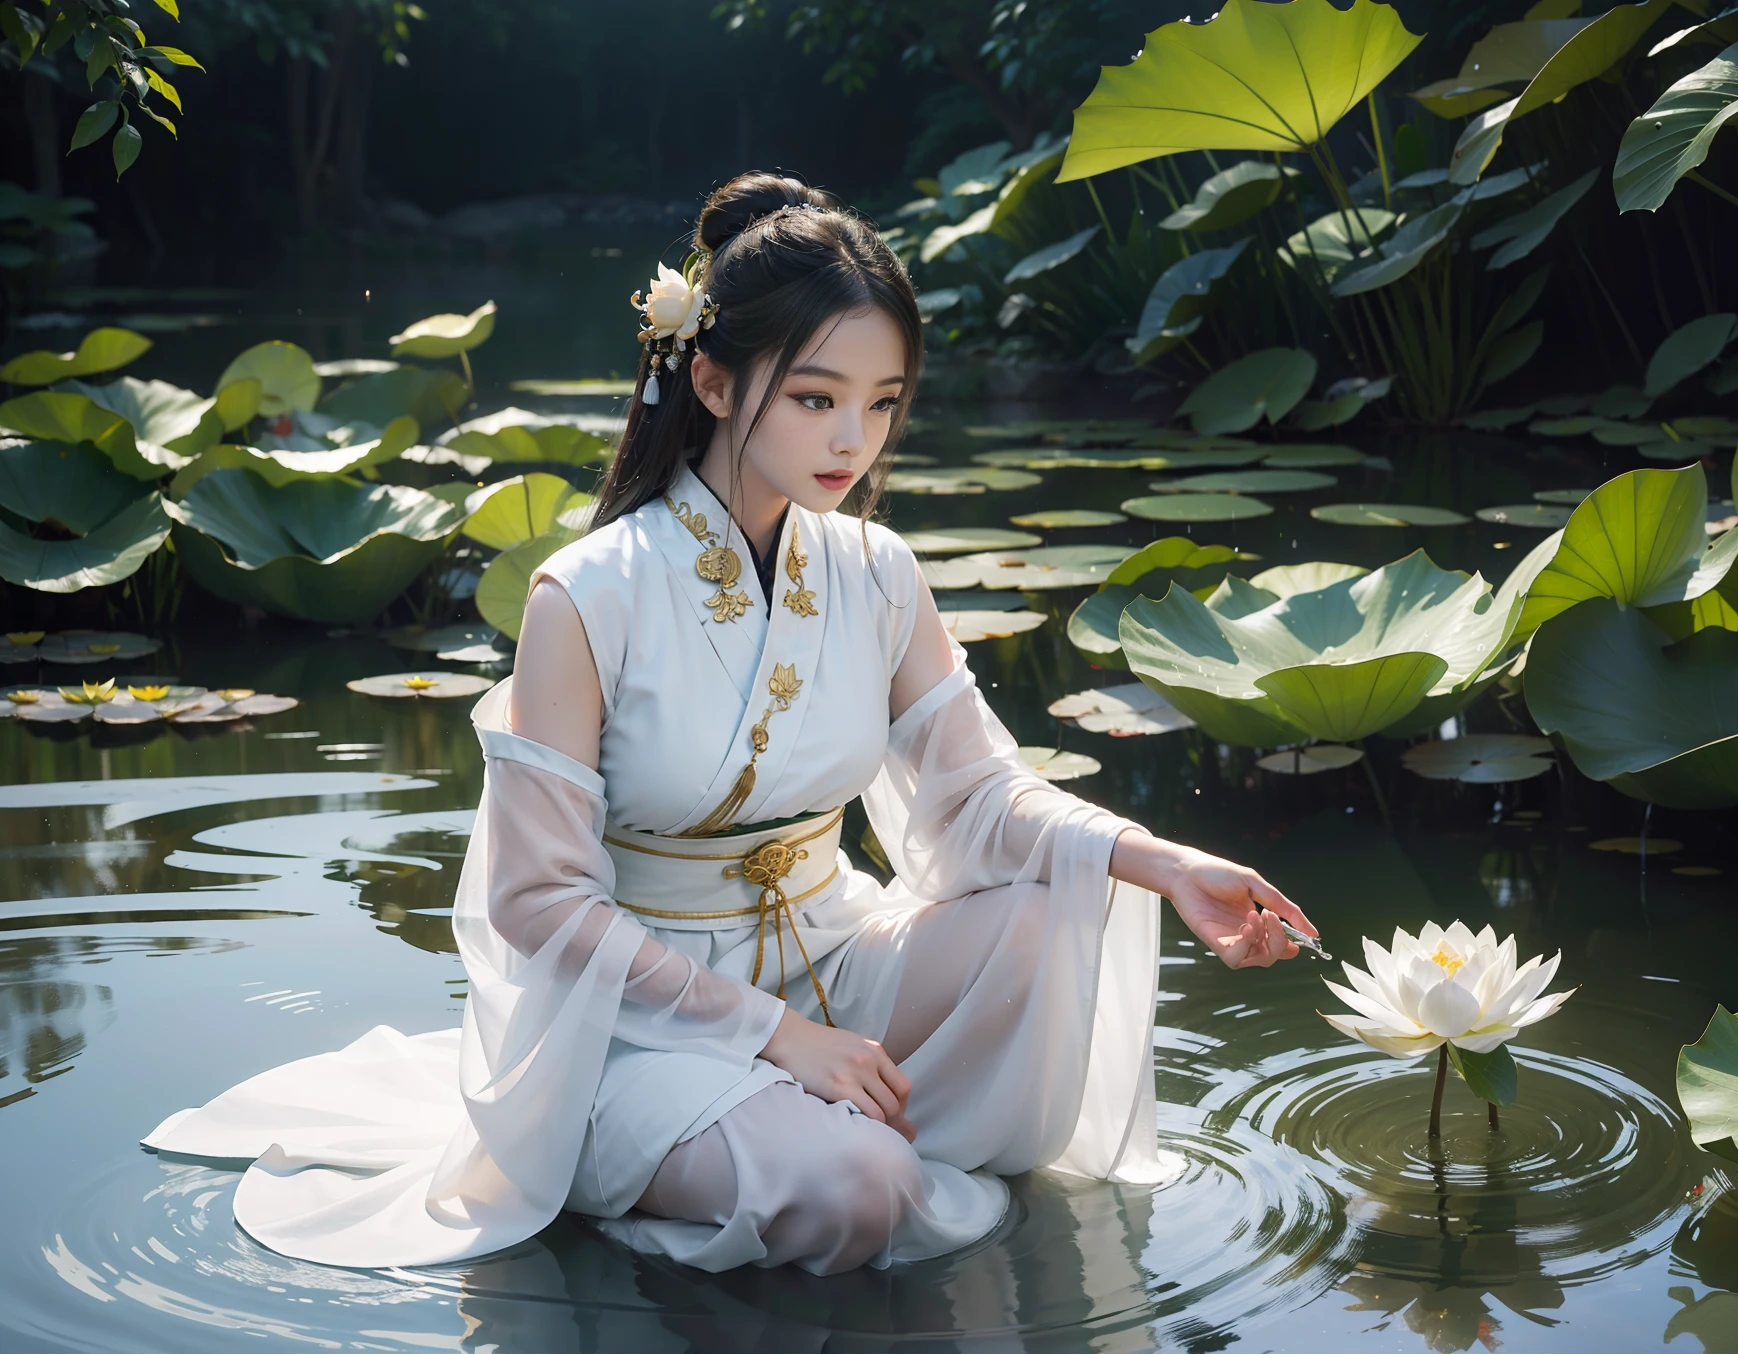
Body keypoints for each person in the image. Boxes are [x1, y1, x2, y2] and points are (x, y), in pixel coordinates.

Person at [144, 172, 1319, 1277]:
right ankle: (757, 1143)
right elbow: (536, 903)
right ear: (710, 380)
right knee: (862, 1190)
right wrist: (772, 1038)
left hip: (830, 953)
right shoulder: (585, 596)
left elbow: (976, 798)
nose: (851, 444)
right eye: (814, 399)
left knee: (1059, 905)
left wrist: (1159, 861)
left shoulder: (878, 570)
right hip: (633, 1017)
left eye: (879, 403)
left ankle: (808, 1121)